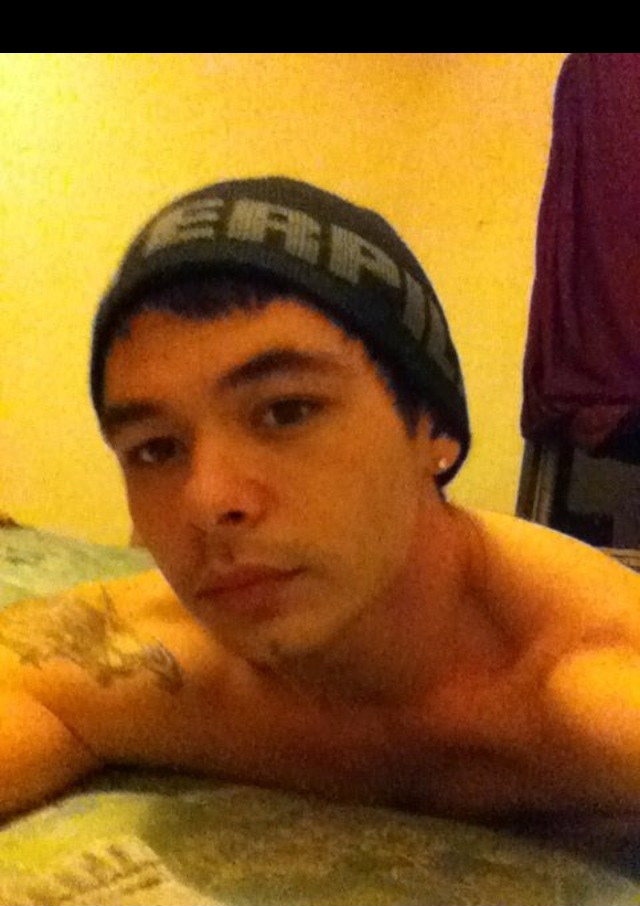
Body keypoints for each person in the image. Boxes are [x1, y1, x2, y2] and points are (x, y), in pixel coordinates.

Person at [0, 176, 639, 831]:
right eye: (156, 449)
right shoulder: (153, 660)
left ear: (433, 429)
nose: (209, 500)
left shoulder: (595, 689)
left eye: (287, 411)